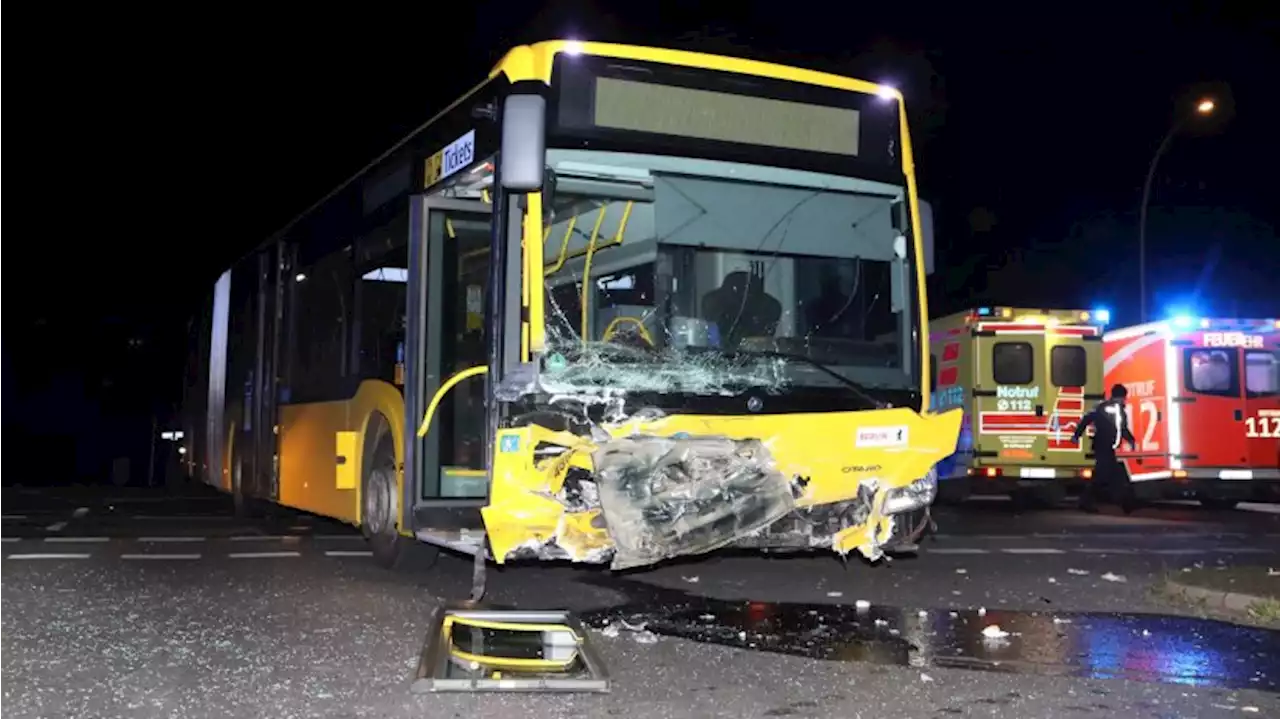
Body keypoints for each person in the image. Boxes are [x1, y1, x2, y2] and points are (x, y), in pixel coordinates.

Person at [1071, 383, 1138, 513]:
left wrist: (1077, 435)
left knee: (1112, 476)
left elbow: (1087, 419)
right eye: (1124, 397)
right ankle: (1088, 501)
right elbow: (1122, 428)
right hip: (1104, 447)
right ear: (1121, 397)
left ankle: (1124, 503)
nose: (1125, 400)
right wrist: (1131, 440)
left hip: (1104, 446)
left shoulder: (1103, 407)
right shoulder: (1117, 410)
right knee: (1105, 477)